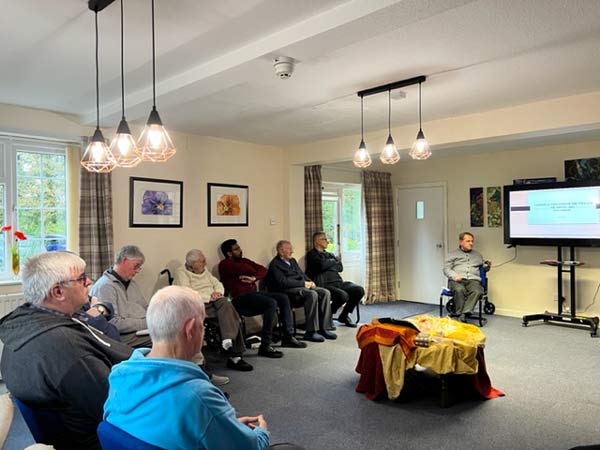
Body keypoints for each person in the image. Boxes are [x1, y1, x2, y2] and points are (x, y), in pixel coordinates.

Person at [103, 285, 305, 450]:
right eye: (201, 325)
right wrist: (261, 433)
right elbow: (249, 447)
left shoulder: (119, 375)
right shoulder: (199, 396)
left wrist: (225, 424)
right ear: (191, 329)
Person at [0, 251, 132, 450]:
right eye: (82, 278)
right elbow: (117, 406)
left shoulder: (22, 325)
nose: (89, 281)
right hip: (96, 440)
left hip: (67, 432)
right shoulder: (67, 349)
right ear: (58, 292)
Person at [219, 239, 307, 357]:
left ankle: (288, 336)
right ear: (229, 253)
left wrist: (253, 278)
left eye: (239, 248)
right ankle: (265, 345)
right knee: (271, 302)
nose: (240, 250)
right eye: (236, 249)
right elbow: (247, 269)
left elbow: (263, 270)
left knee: (283, 297)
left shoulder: (244, 261)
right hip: (238, 297)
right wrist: (252, 271)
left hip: (253, 294)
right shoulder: (224, 264)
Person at [174, 249, 253, 371]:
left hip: (214, 301)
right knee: (232, 316)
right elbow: (187, 293)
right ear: (193, 264)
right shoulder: (181, 273)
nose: (205, 263)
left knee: (227, 304)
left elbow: (217, 283)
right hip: (197, 304)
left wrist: (218, 293)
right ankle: (234, 355)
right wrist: (209, 297)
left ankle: (228, 341)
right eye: (202, 261)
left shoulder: (204, 271)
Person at [267, 240, 336, 342]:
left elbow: (301, 274)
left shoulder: (292, 261)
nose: (292, 251)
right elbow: (283, 282)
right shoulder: (275, 264)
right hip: (288, 291)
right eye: (289, 249)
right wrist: (303, 284)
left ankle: (324, 328)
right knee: (312, 294)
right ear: (281, 251)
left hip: (301, 287)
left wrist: (310, 281)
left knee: (325, 292)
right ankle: (311, 332)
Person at [90, 245, 152, 347]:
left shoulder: (132, 284)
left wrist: (157, 317)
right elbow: (112, 323)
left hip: (140, 331)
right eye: (136, 266)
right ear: (124, 260)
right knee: (166, 340)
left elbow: (145, 306)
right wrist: (147, 323)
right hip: (121, 338)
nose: (137, 271)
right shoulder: (105, 286)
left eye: (139, 267)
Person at [305, 231, 364, 328]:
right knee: (343, 296)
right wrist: (333, 261)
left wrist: (328, 263)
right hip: (325, 285)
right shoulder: (312, 255)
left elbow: (340, 267)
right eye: (324, 239)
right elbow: (321, 266)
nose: (327, 241)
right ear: (317, 241)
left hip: (339, 283)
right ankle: (327, 316)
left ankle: (344, 315)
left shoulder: (329, 254)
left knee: (359, 290)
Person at [443, 232, 491, 320]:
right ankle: (461, 313)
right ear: (461, 242)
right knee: (459, 289)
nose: (471, 243)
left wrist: (487, 265)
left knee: (477, 291)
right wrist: (454, 276)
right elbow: (446, 269)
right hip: (457, 280)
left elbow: (483, 267)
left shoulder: (477, 255)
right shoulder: (452, 254)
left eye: (472, 241)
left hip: (473, 280)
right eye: (468, 241)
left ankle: (463, 314)